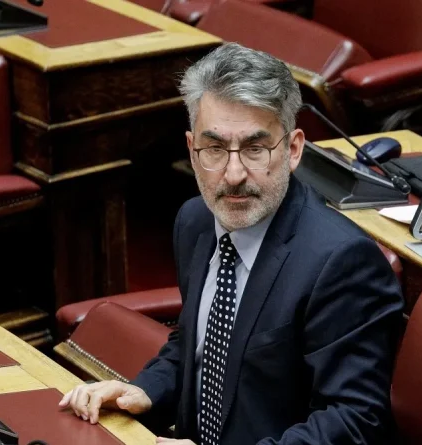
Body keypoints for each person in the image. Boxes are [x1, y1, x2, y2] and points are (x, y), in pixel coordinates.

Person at [59, 42, 403, 444]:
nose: (234, 173)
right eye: (215, 149)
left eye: (255, 149)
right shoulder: (195, 221)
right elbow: (196, 345)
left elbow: (354, 420)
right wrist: (146, 391)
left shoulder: (342, 262)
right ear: (192, 151)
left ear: (293, 150)